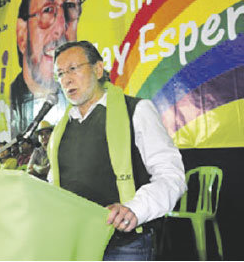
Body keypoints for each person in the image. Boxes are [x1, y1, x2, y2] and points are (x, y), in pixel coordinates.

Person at [48, 41, 187, 260]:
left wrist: (135, 209)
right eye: (60, 73)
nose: (66, 79)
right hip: (73, 242)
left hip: (124, 245)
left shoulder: (136, 111)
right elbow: (55, 183)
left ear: (98, 69)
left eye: (73, 69)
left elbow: (172, 176)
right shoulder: (60, 130)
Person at [11, 0, 85, 136]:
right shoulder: (5, 106)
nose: (60, 27)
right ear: (22, 34)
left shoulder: (88, 103)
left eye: (71, 5)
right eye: (48, 10)